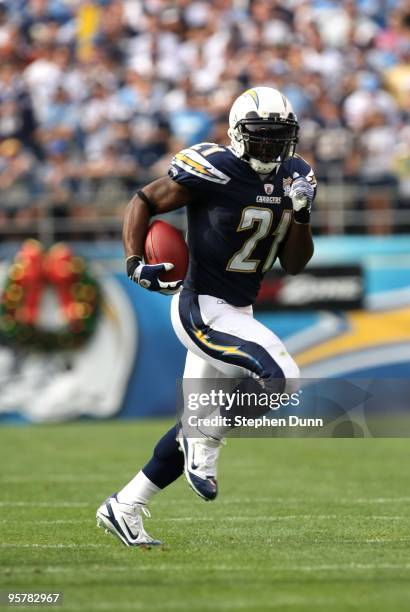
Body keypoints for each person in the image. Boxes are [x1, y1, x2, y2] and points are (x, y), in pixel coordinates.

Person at [96, 86, 316, 547]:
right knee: (283, 379)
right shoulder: (213, 168)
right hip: (201, 306)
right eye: (262, 135)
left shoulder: (295, 173)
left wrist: (300, 214)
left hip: (238, 309)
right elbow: (144, 200)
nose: (273, 146)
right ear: (238, 135)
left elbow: (294, 264)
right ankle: (209, 430)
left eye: (281, 136)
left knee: (191, 425)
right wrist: (135, 262)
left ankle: (126, 505)